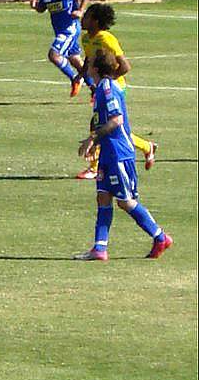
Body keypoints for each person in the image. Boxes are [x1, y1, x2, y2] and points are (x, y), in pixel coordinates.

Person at [74, 50, 173, 262]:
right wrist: (95, 142)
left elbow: (117, 120)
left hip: (119, 154)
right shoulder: (100, 88)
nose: (87, 67)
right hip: (108, 155)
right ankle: (100, 248)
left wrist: (93, 139)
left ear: (97, 69)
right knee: (103, 197)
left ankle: (160, 236)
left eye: (89, 64)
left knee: (125, 201)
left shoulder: (108, 88)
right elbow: (103, 121)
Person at [75, 2, 158, 180]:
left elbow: (125, 66)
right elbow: (89, 59)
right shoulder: (86, 38)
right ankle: (146, 146)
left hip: (115, 88)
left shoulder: (106, 38)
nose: (83, 19)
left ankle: (94, 166)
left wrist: (108, 83)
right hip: (101, 87)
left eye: (87, 16)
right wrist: (80, 75)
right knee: (112, 128)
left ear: (96, 21)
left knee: (100, 124)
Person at [30, 0, 92, 98]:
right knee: (75, 59)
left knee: (54, 55)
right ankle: (94, 89)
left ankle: (75, 79)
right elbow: (43, 8)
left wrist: (81, 10)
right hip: (58, 28)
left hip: (70, 28)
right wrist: (36, 6)